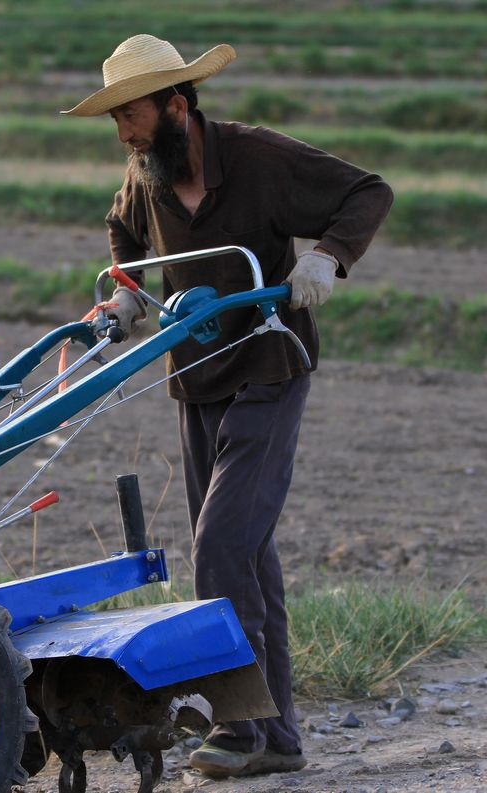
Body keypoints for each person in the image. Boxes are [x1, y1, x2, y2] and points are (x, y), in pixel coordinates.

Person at [63, 35, 393, 779]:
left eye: (132, 117)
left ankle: (240, 724)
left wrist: (326, 257)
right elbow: (123, 235)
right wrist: (124, 299)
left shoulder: (258, 158)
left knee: (219, 544)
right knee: (247, 553)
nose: (123, 134)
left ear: (178, 105)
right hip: (197, 379)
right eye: (115, 121)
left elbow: (368, 190)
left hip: (271, 365)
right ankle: (280, 740)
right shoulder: (146, 173)